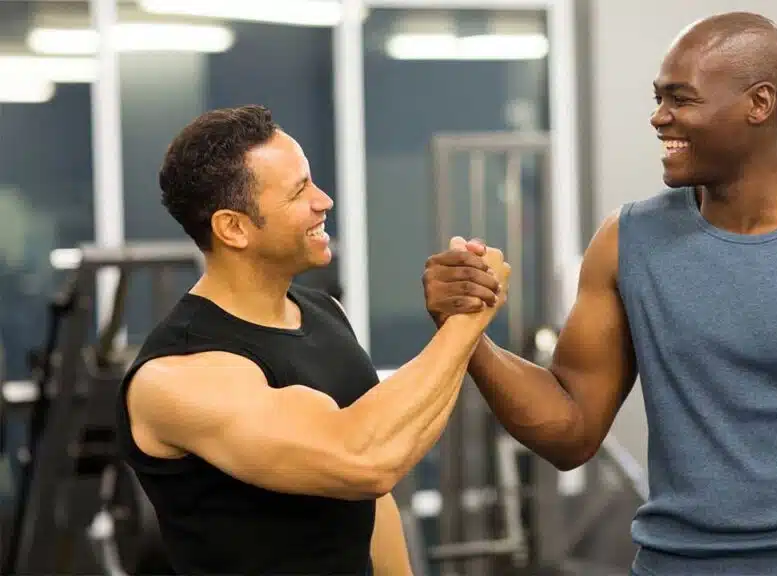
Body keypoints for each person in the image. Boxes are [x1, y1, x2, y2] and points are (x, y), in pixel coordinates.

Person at [421, 12, 777, 576]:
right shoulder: (626, 242)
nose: (659, 117)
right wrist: (469, 337)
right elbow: (570, 432)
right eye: (659, 98)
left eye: (681, 99)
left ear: (759, 103)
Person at [115, 105, 511, 576]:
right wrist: (467, 319)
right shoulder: (181, 375)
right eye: (299, 191)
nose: (324, 200)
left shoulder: (323, 313)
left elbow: (371, 498)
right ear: (233, 228)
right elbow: (364, 460)